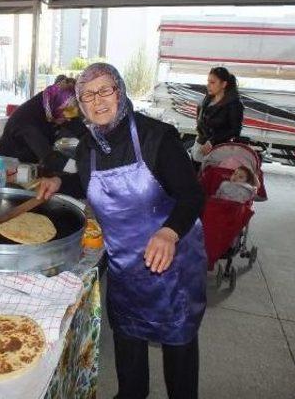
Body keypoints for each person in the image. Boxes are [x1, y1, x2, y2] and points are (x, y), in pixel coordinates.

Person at [38, 63, 206, 399]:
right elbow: (88, 184)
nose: (97, 100)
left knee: (178, 348)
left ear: (121, 91)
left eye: (105, 90)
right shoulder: (88, 146)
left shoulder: (156, 137)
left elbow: (192, 195)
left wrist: (169, 232)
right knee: (128, 344)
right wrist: (61, 181)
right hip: (124, 266)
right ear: (80, 104)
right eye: (87, 94)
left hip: (171, 263)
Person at [0, 79, 80, 165]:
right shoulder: (28, 118)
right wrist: (79, 167)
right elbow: (48, 157)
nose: (68, 119)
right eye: (65, 114)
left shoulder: (53, 102)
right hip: (8, 166)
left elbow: (76, 124)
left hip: (30, 162)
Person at [192, 66, 244, 163]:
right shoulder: (205, 101)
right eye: (208, 82)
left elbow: (235, 130)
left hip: (218, 153)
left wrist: (212, 142)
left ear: (223, 84)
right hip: (199, 149)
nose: (208, 85)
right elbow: (200, 124)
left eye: (212, 82)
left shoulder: (234, 104)